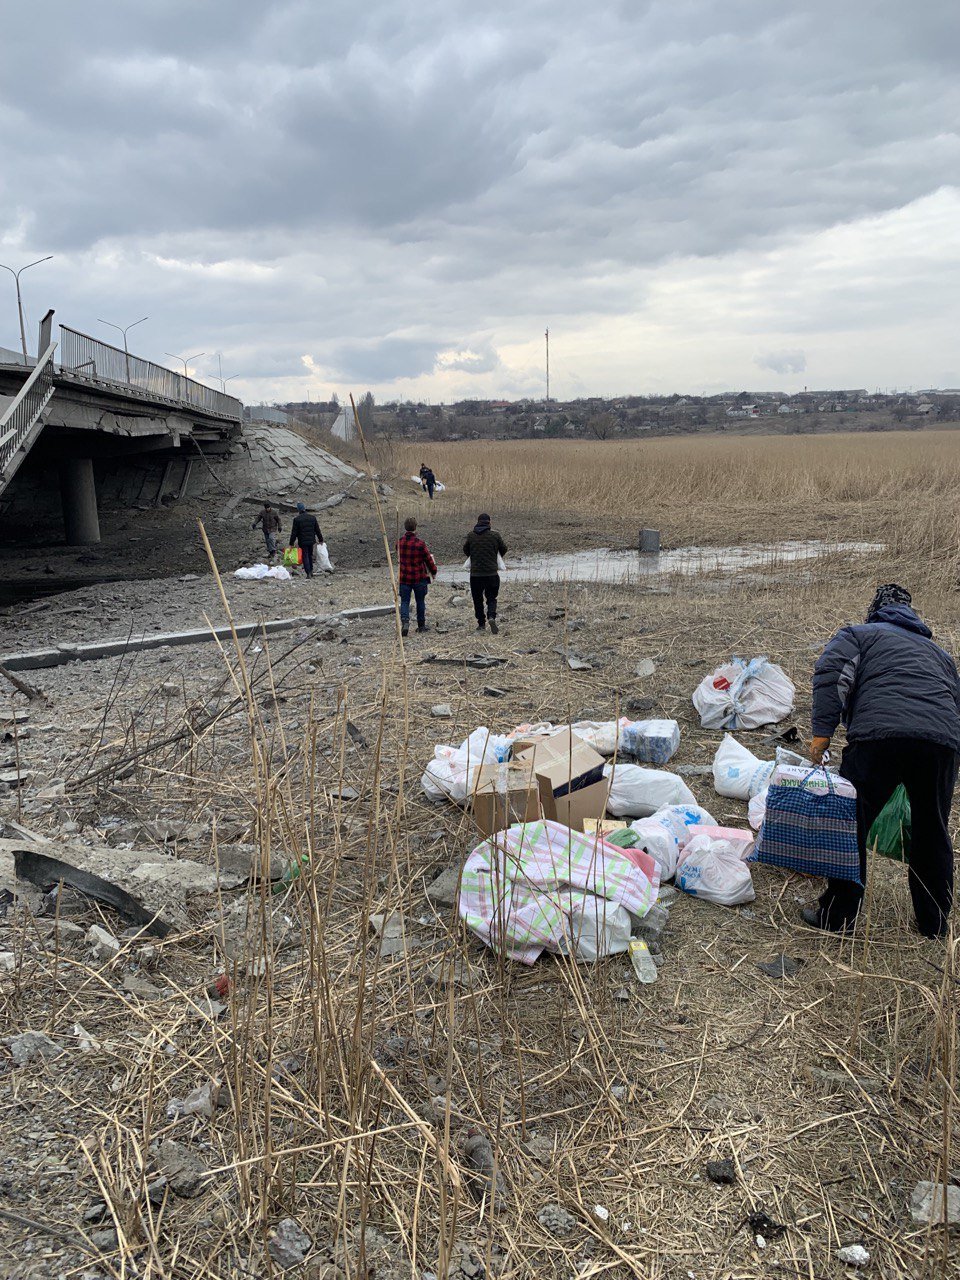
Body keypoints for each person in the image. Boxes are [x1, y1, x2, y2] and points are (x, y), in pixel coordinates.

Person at [806, 583, 960, 939]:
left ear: (874, 610)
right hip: (941, 744)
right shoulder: (940, 655)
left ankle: (838, 916)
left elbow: (831, 674)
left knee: (851, 823)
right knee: (932, 831)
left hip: (880, 738)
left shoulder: (860, 634)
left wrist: (821, 734)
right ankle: (934, 925)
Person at [463, 513, 506, 634]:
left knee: (477, 599)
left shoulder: (471, 536)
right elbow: (504, 548)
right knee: (491, 598)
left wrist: (475, 556)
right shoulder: (495, 535)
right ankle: (491, 616)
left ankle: (481, 624)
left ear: (478, 522)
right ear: (489, 522)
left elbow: (466, 550)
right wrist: (495, 556)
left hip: (475, 574)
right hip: (492, 573)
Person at [396, 516, 438, 636]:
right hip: (419, 578)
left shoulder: (399, 542)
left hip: (404, 577)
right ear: (415, 527)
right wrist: (434, 571)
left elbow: (398, 557)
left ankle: (405, 622)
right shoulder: (420, 544)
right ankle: (421, 625)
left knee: (404, 601)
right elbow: (428, 560)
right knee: (420, 601)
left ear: (405, 527)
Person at [289, 502, 324, 579]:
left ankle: (308, 572)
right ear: (304, 509)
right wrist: (321, 539)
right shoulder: (312, 518)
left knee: (305, 556)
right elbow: (317, 530)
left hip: (302, 541)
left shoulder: (297, 519)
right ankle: (311, 571)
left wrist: (291, 543)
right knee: (310, 555)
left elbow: (294, 532)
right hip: (311, 540)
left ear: (298, 510)